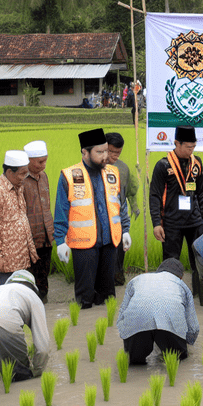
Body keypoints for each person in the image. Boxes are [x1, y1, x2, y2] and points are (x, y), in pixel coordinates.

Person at [55, 129, 123, 309]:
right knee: (85, 299)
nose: (105, 156)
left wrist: (127, 230)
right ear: (85, 152)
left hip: (110, 242)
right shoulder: (69, 176)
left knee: (108, 297)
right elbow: (61, 211)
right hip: (84, 244)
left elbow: (119, 205)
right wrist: (60, 241)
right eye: (100, 152)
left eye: (106, 151)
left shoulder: (113, 173)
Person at [149, 126, 203, 293]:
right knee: (171, 262)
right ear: (177, 143)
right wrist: (156, 223)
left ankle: (200, 295)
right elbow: (155, 195)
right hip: (171, 223)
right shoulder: (163, 165)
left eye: (194, 147)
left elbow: (201, 193)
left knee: (199, 260)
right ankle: (170, 294)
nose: (191, 151)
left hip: (195, 222)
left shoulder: (196, 163)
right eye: (188, 147)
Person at [115, 259, 200, 365]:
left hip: (136, 324)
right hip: (170, 325)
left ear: (158, 270)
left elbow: (122, 312)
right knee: (178, 359)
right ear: (181, 276)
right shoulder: (181, 285)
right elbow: (193, 326)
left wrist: (126, 338)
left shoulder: (137, 280)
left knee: (134, 363)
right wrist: (186, 343)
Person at [0, 151, 37, 288]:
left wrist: (31, 249)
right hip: (5, 261)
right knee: (4, 299)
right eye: (22, 174)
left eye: (26, 173)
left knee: (19, 298)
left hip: (21, 257)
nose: (25, 177)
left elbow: (22, 220)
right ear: (10, 173)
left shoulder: (18, 188)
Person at [105, 131, 140, 286]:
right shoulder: (92, 167)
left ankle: (117, 281)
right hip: (97, 225)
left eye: (118, 152)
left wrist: (126, 229)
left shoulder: (123, 169)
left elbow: (124, 199)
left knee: (118, 257)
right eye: (111, 151)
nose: (115, 155)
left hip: (117, 221)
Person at [22, 140, 54, 303]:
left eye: (45, 160)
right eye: (40, 162)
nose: (44, 165)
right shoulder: (21, 180)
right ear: (29, 161)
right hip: (29, 236)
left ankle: (44, 301)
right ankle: (30, 302)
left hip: (47, 234)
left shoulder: (44, 177)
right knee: (29, 272)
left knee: (44, 270)